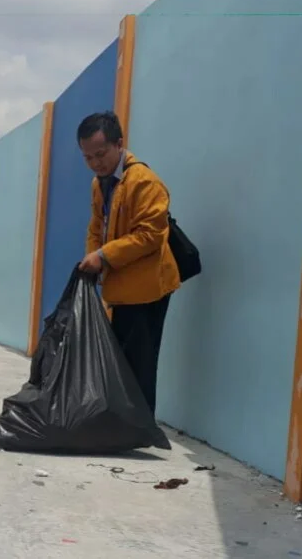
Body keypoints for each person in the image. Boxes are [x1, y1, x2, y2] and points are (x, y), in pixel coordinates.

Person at [76, 111, 180, 416]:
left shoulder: (144, 182)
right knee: (121, 364)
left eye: (101, 154)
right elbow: (96, 227)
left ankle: (140, 429)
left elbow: (150, 236)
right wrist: (93, 258)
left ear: (119, 144)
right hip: (121, 287)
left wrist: (103, 256)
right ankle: (125, 425)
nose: (96, 163)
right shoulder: (100, 184)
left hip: (148, 290)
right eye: (88, 157)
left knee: (139, 366)